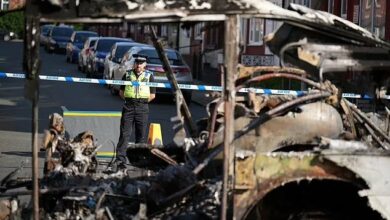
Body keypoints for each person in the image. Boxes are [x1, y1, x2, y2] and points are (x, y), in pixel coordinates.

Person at [115, 54, 156, 169]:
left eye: (141, 63)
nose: (139, 65)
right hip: (129, 106)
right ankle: (120, 161)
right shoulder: (127, 75)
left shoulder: (149, 76)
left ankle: (138, 160)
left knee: (141, 135)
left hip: (142, 107)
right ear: (134, 64)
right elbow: (121, 92)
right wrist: (130, 100)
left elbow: (152, 95)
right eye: (137, 63)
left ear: (145, 65)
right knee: (124, 134)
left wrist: (141, 102)